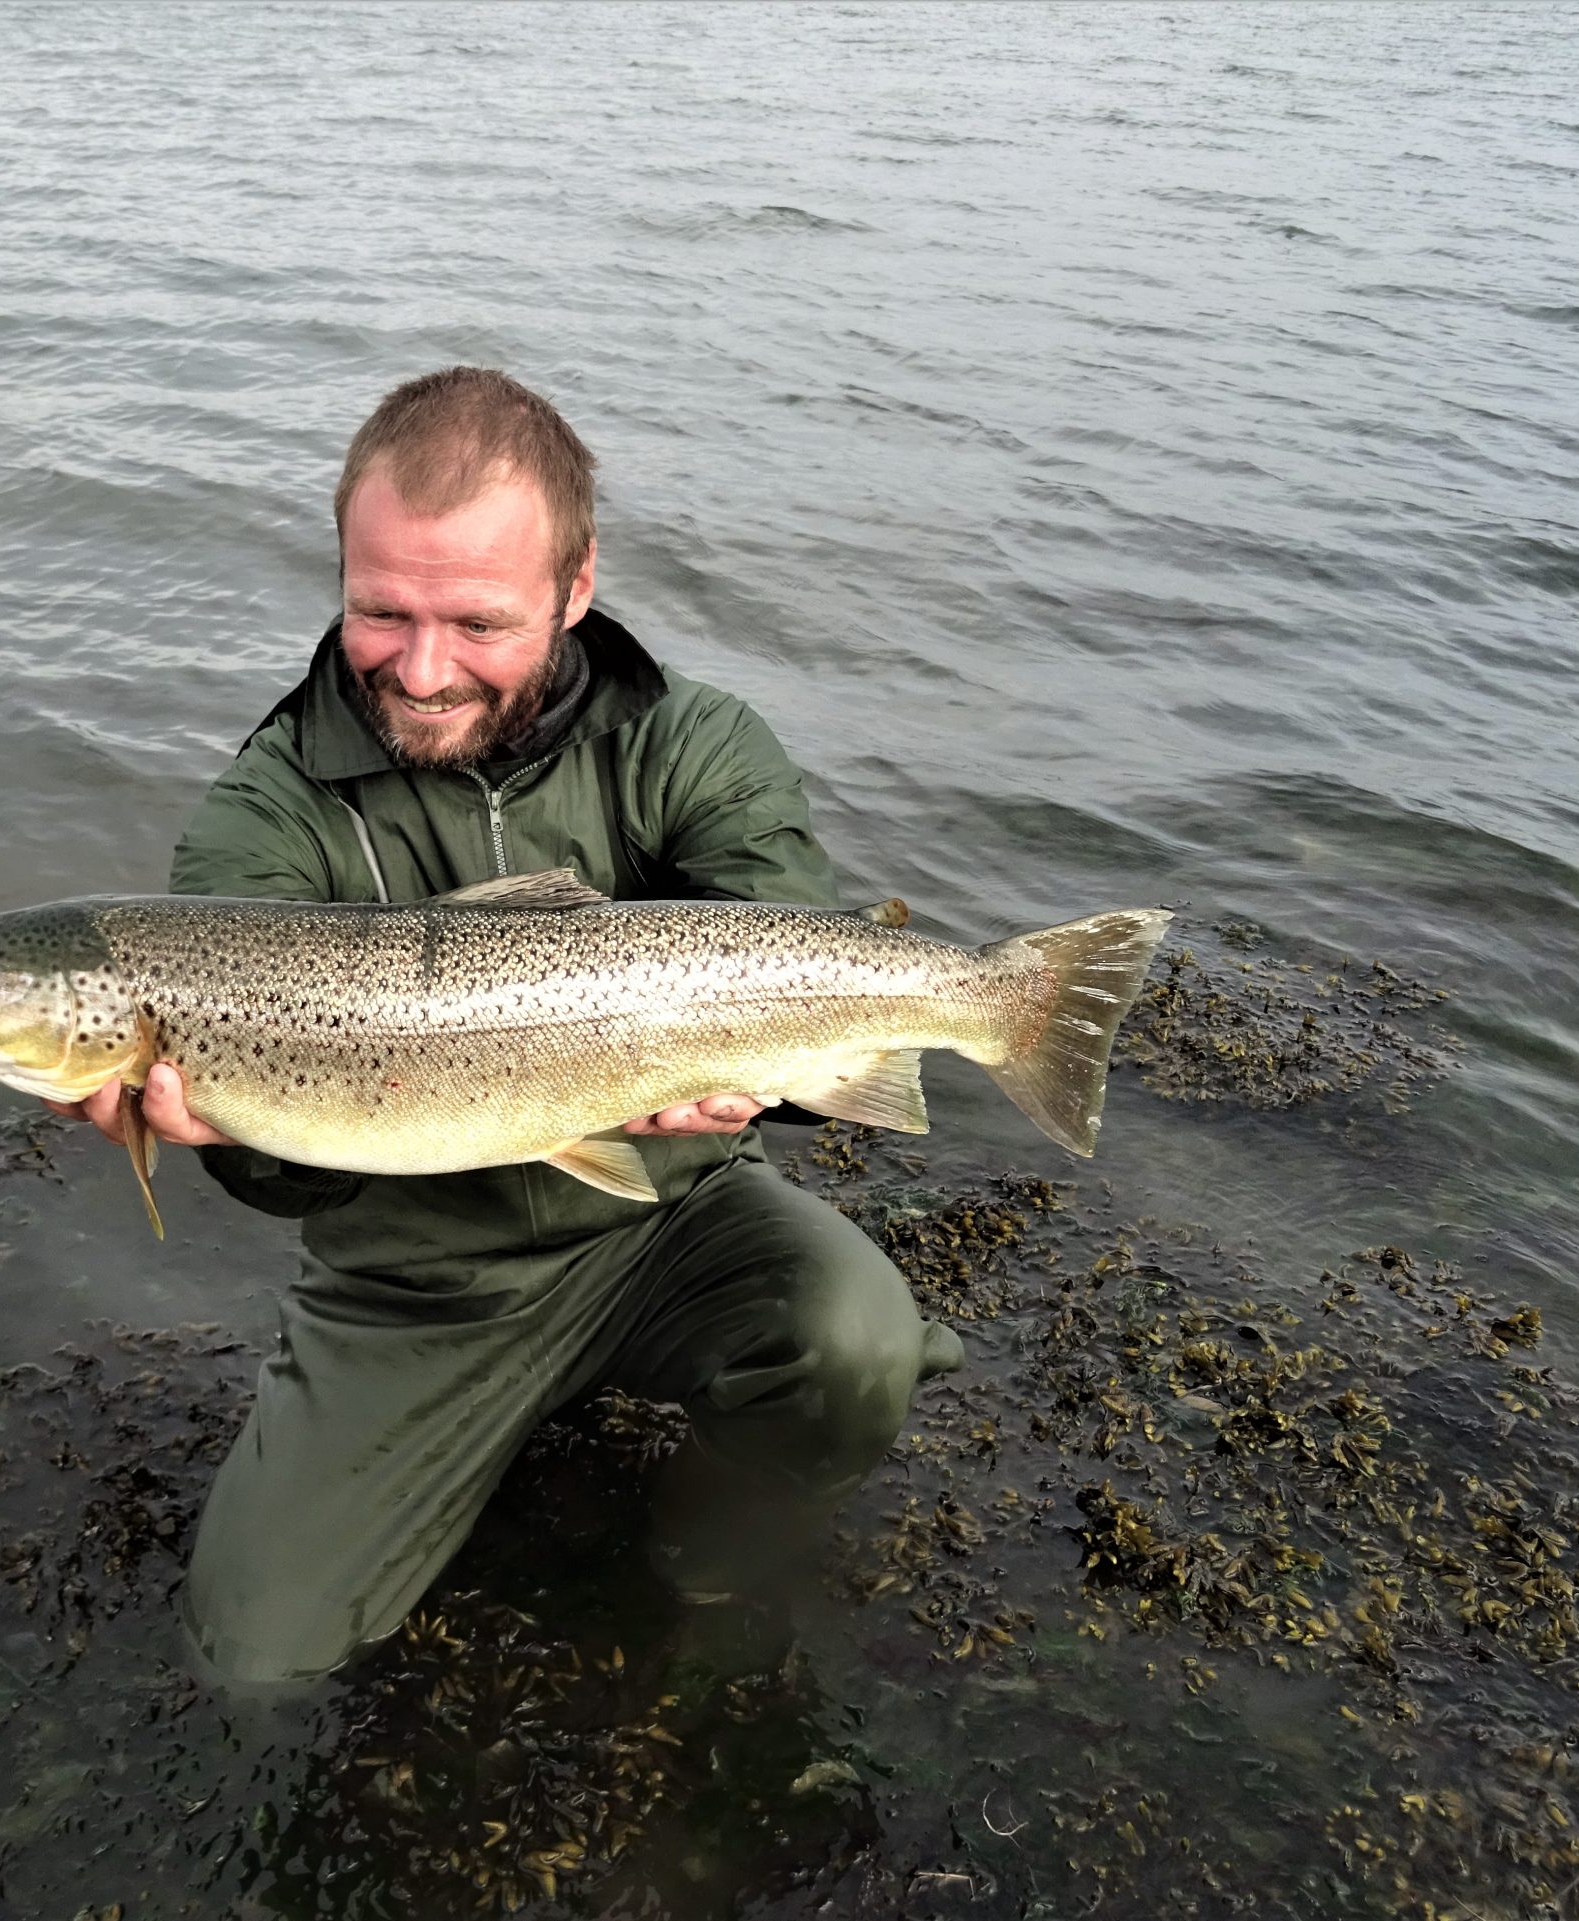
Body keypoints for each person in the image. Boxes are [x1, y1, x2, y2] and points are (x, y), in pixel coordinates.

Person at [51, 367, 963, 1687]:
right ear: (343, 573)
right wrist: (222, 1136)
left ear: (576, 586)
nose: (422, 670)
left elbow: (784, 940)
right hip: (417, 1278)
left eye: (477, 621)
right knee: (254, 1656)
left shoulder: (695, 743)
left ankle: (697, 1555)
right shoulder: (261, 816)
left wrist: (772, 1084)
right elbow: (279, 1162)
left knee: (857, 1346)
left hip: (669, 1216)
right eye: (381, 612)